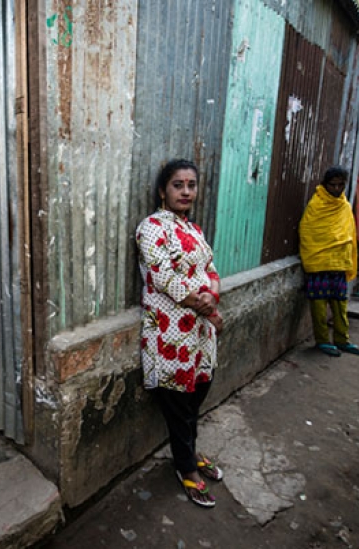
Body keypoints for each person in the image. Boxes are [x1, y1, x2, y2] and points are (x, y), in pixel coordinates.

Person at [136, 159, 224, 509]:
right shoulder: (151, 228)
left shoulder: (195, 230)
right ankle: (186, 467)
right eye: (177, 185)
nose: (186, 191)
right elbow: (164, 278)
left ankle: (190, 451)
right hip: (170, 337)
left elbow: (212, 270)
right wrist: (209, 307)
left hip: (201, 335)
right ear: (162, 190)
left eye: (191, 184)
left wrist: (212, 295)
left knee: (197, 395)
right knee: (177, 406)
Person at [299, 166, 359, 358]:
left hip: (339, 262)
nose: (336, 189)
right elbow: (308, 233)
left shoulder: (345, 206)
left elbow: (349, 233)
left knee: (340, 305)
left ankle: (342, 340)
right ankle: (322, 340)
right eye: (332, 185)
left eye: (340, 185)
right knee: (319, 306)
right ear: (325, 185)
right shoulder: (316, 205)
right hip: (319, 262)